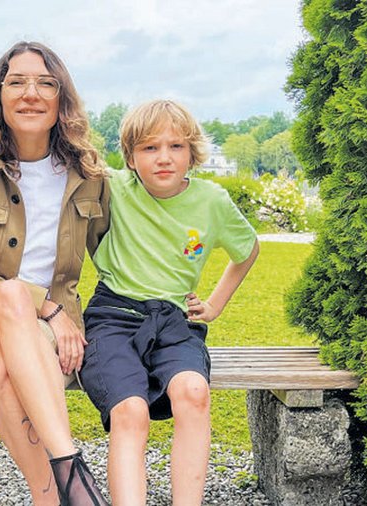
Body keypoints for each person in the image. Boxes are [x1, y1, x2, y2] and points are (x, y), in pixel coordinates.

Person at [0, 41, 110, 505]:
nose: (31, 93)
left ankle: (48, 497)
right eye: (17, 83)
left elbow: (119, 248)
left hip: (40, 336)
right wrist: (48, 309)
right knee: (7, 304)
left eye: (45, 83)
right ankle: (72, 467)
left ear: (61, 98)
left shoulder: (88, 174)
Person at [78, 99, 259, 505]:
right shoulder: (112, 187)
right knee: (130, 411)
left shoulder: (212, 201)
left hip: (175, 322)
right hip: (114, 316)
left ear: (192, 153)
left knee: (193, 392)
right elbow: (56, 144)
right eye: (149, 148)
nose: (163, 158)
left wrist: (214, 304)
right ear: (130, 157)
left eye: (175, 146)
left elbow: (247, 250)